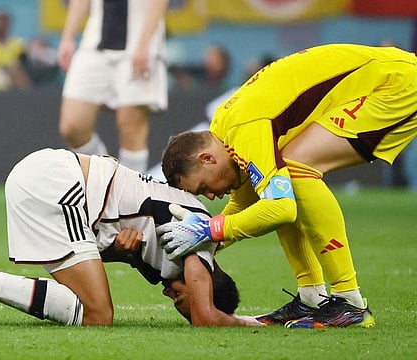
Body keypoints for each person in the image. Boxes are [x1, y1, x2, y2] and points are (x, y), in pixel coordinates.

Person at [158, 43, 417, 329]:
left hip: (395, 84)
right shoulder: (226, 130)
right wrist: (206, 241)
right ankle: (312, 298)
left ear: (206, 158)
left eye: (203, 186)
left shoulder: (246, 127)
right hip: (384, 77)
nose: (211, 195)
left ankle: (350, 302)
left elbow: (280, 209)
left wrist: (211, 230)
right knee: (281, 175)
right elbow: (247, 201)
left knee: (296, 169)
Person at [0, 149, 259, 327]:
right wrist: (256, 323)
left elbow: (98, 243)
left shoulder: (160, 267)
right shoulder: (199, 237)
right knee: (98, 315)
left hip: (48, 176)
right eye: (181, 301)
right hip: (61, 182)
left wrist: (117, 251)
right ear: (208, 283)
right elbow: (206, 317)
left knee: (84, 308)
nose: (170, 298)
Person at [57, 0, 169, 173]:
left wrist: (144, 43)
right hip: (94, 42)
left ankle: (130, 195)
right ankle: (105, 175)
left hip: (139, 41)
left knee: (130, 126)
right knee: (72, 125)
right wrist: (68, 36)